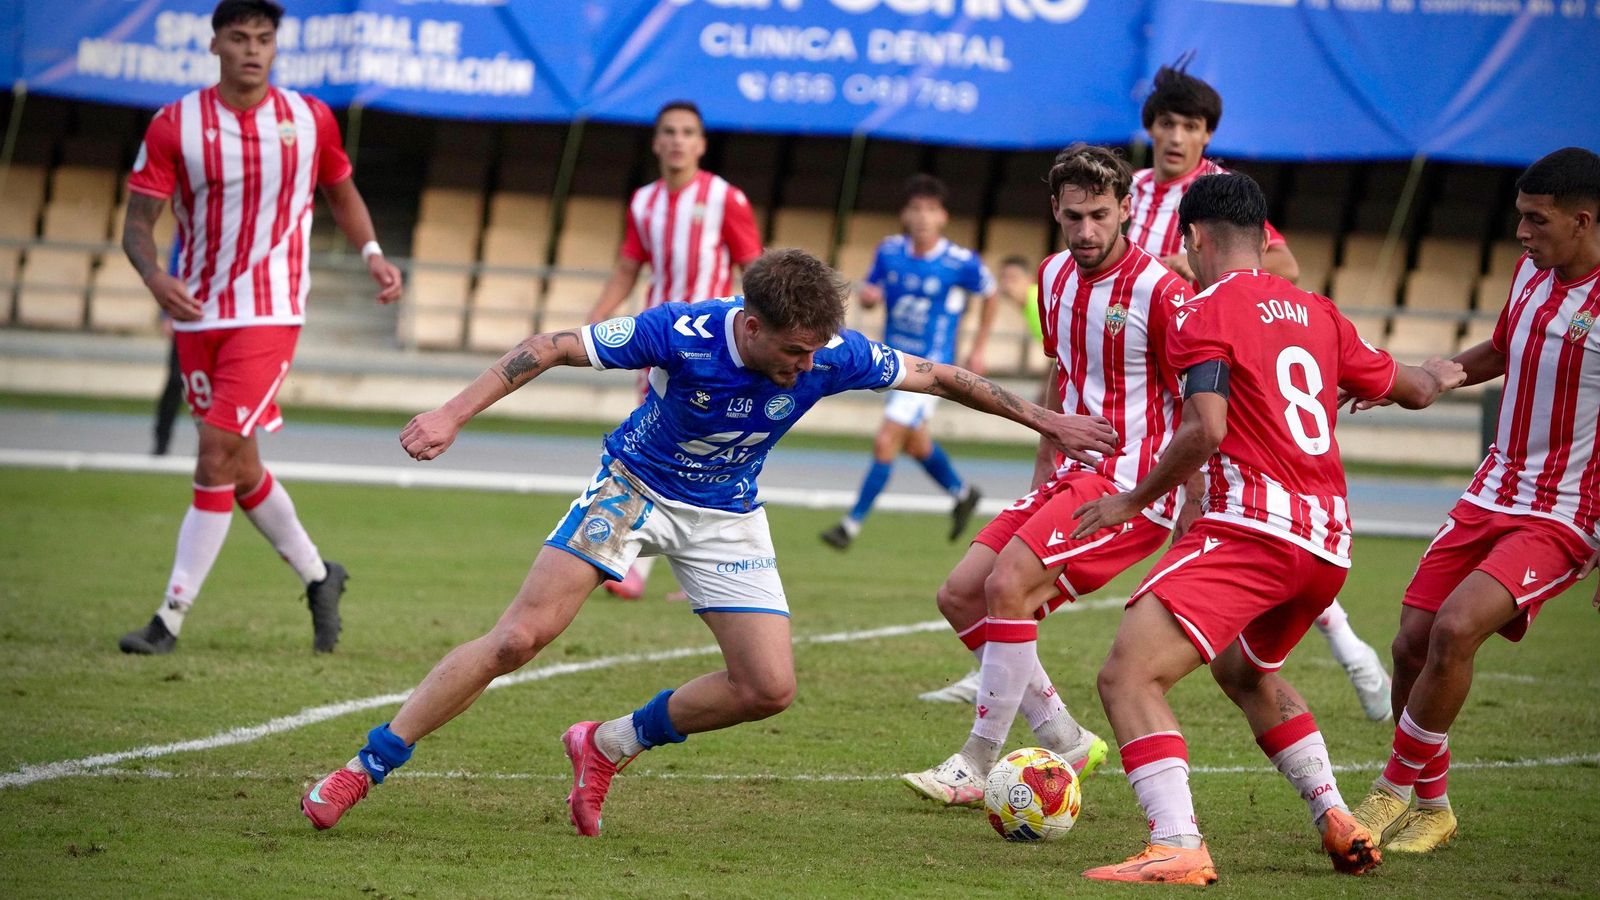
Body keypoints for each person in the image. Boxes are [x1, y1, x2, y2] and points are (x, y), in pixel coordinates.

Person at [299, 249, 1118, 837]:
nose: (806, 368)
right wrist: (449, 413)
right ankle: (362, 769)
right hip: (632, 488)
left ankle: (606, 743)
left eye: (816, 353)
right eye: (792, 352)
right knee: (518, 637)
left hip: (726, 511)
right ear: (752, 326)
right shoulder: (680, 332)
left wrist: (1044, 419)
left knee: (768, 687)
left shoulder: (828, 352)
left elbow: (940, 377)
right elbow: (548, 347)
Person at [1071, 173, 1463, 884]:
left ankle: (1177, 843)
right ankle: (1336, 816)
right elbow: (1411, 388)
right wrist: (1443, 371)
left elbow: (1205, 426)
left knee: (1128, 674)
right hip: (1329, 546)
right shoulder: (1318, 312)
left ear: (1193, 238)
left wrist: (1133, 500)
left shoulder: (1201, 311)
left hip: (1253, 530)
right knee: (1246, 670)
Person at [902, 145, 1192, 804]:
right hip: (1069, 475)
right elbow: (1063, 378)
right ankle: (1064, 737)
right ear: (1054, 212)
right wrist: (1042, 469)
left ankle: (976, 764)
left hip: (1130, 487)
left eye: (1098, 215)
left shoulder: (1163, 291)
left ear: (1124, 209)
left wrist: (1187, 511)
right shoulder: (1053, 277)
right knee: (959, 595)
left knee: (1007, 586)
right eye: (1072, 218)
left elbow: (1201, 408)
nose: (1086, 232)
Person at [116, 0, 403, 655]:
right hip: (198, 314)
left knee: (214, 453)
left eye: (264, 38)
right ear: (215, 44)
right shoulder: (175, 125)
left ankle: (169, 618)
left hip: (269, 312)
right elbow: (138, 222)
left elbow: (341, 188)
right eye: (239, 37)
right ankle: (319, 575)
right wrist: (156, 279)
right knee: (240, 466)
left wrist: (373, 255)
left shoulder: (308, 119)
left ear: (276, 47)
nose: (252, 48)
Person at [1351, 147, 1600, 855]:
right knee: (1409, 643)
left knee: (1456, 630)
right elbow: (1503, 348)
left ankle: (1389, 793)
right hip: (1492, 489)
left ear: (1582, 220)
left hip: (1562, 513)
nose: (1520, 232)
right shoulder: (1532, 273)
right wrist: (1428, 377)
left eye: (1535, 219)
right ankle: (1434, 808)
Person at [1131, 59, 1393, 721]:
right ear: (1151, 129)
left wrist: (1177, 271)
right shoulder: (1130, 193)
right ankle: (1006, 652)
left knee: (1245, 518)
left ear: (1206, 137)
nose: (1176, 135)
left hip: (1219, 375)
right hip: (1156, 374)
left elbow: (1281, 265)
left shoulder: (1220, 196)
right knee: (1241, 523)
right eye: (1167, 122)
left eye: (1190, 125)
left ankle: (1347, 645)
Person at [587, 100, 763, 601]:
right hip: (656, 340)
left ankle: (711, 558)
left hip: (714, 346)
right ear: (656, 141)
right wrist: (597, 315)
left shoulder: (727, 199)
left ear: (701, 144)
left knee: (719, 448)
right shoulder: (643, 201)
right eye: (669, 131)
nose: (678, 140)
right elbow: (628, 265)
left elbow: (754, 268)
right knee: (647, 440)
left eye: (688, 132)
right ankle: (627, 562)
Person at [820, 175, 997, 550]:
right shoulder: (889, 251)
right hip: (894, 361)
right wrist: (869, 297)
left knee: (887, 439)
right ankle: (963, 493)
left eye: (930, 210)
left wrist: (978, 346)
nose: (922, 217)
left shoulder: (959, 261)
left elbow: (990, 292)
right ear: (904, 214)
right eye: (915, 209)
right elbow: (872, 291)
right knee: (915, 445)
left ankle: (849, 527)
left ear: (943, 217)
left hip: (931, 367)